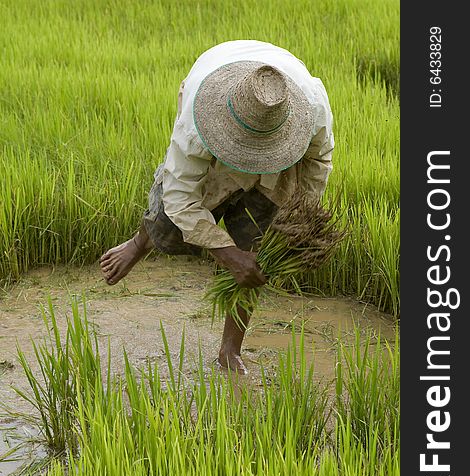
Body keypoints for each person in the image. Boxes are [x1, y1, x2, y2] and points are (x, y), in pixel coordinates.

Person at [100, 40, 334, 374]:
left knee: (256, 255)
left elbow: (318, 160)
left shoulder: (311, 111)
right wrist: (226, 254)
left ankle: (229, 350)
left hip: (279, 158)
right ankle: (140, 243)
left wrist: (301, 214)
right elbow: (179, 198)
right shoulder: (197, 123)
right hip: (217, 110)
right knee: (171, 222)